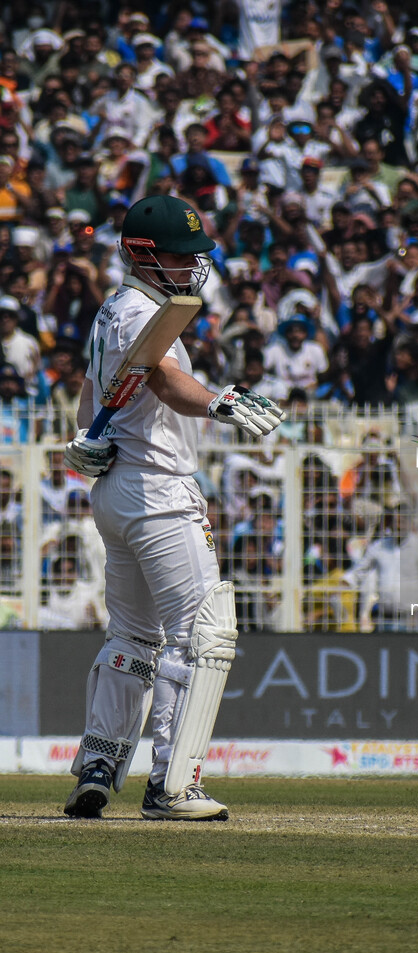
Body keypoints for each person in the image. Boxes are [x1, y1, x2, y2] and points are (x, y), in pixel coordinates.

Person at [62, 195, 285, 821]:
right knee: (200, 635)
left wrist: (86, 440)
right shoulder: (142, 311)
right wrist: (217, 402)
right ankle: (172, 781)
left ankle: (101, 763)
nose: (193, 266)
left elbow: (91, 397)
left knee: (133, 635)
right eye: (182, 256)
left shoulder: (115, 310)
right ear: (143, 253)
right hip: (159, 491)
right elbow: (160, 378)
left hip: (117, 491)